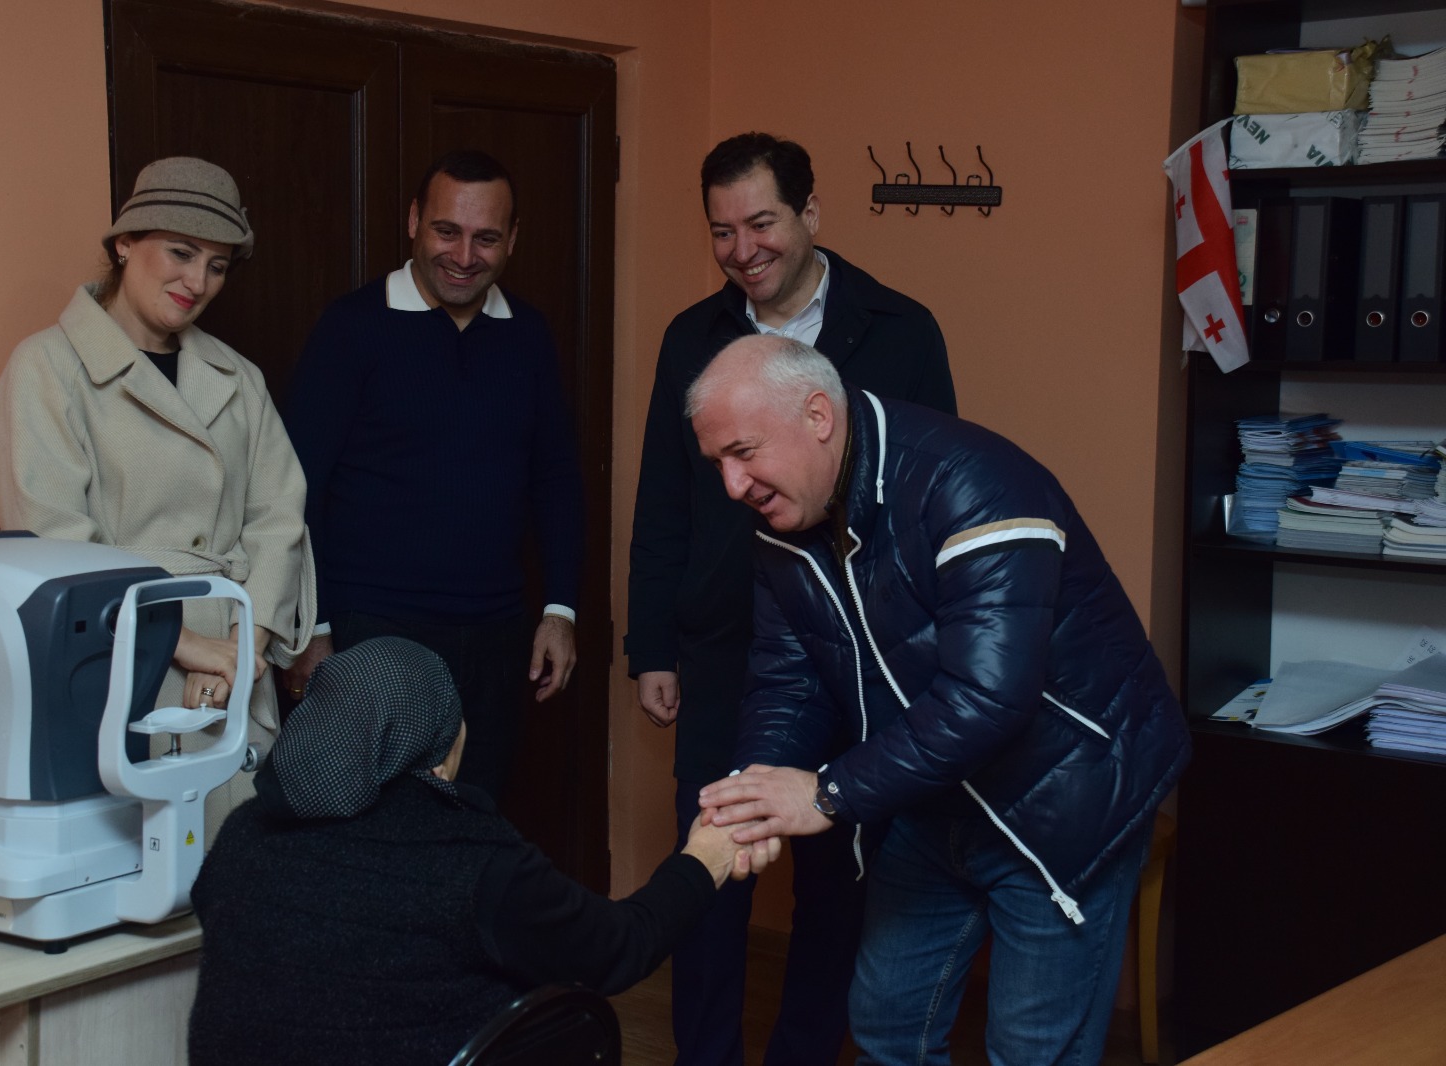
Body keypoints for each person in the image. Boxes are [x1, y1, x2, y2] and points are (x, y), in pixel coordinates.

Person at [693, 336, 1192, 1066]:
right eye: (718, 464)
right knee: (887, 1025)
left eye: (743, 453)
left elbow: (989, 697)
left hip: (1064, 800)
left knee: (1032, 1052)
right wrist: (753, 795)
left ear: (818, 416)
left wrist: (827, 794)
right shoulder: (784, 522)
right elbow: (787, 681)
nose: (733, 485)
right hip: (931, 796)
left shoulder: (974, 482)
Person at [626, 132, 957, 1064]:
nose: (742, 250)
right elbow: (663, 500)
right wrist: (651, 646)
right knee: (712, 870)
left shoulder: (900, 330)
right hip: (725, 651)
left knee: (838, 885)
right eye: (721, 231)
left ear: (811, 213)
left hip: (857, 653)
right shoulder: (691, 337)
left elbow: (928, 496)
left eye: (761, 223)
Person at [187, 637, 778, 1065]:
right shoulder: (470, 862)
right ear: (442, 758)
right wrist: (706, 856)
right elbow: (620, 947)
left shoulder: (245, 832)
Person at [0, 157, 315, 837]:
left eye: (217, 266)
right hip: (119, 670)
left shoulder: (237, 378)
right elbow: (51, 546)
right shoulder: (47, 369)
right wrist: (183, 645)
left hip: (233, 669)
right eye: (181, 253)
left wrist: (239, 651)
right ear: (125, 243)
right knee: (140, 870)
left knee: (239, 869)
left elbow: (279, 519)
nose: (197, 282)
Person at [284, 150, 583, 800]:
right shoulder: (350, 328)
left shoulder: (529, 334)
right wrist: (313, 629)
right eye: (447, 231)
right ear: (414, 221)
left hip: (497, 638)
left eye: (486, 238)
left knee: (474, 824)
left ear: (513, 239)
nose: (465, 256)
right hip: (372, 634)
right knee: (374, 829)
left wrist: (560, 610)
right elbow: (298, 488)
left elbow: (557, 478)